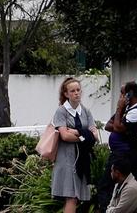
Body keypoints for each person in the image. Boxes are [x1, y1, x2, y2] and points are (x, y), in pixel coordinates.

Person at [51, 77, 99, 213]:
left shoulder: (86, 111)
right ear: (66, 94)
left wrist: (77, 132)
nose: (76, 93)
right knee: (71, 196)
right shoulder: (61, 111)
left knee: (76, 197)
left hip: (82, 159)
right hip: (66, 159)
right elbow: (64, 135)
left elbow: (95, 136)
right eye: (72, 91)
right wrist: (84, 137)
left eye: (78, 90)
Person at [98, 82, 137, 212]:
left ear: (130, 94)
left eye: (122, 93)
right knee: (107, 186)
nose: (120, 97)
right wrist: (120, 114)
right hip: (117, 153)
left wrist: (119, 109)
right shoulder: (126, 110)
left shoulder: (136, 112)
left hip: (125, 154)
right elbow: (108, 125)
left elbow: (117, 127)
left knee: (108, 186)